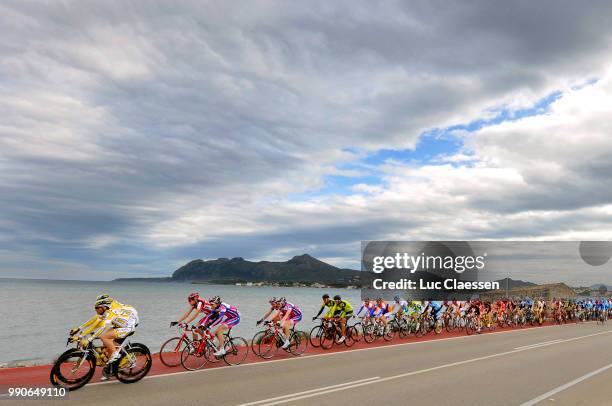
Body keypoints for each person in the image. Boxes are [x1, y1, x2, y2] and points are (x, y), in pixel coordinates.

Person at [74, 296, 139, 380]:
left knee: (104, 337)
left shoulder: (110, 313)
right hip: (122, 322)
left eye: (97, 308)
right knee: (107, 344)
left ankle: (116, 355)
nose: (96, 310)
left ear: (104, 307)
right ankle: (112, 368)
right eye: (95, 308)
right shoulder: (106, 308)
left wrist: (89, 339)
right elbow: (95, 320)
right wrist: (80, 330)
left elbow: (102, 328)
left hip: (128, 325)